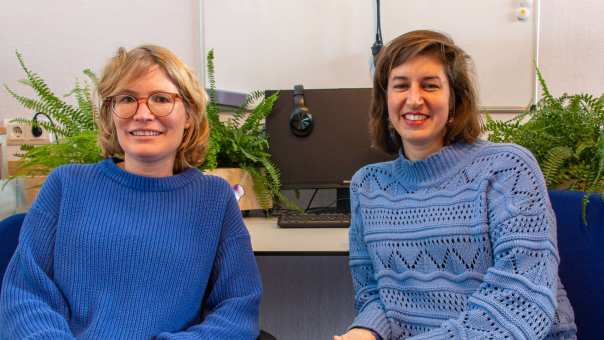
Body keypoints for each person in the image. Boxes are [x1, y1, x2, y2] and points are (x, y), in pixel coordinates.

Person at [0, 45, 262, 339]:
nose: (143, 114)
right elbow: (24, 293)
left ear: (189, 114)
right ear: (110, 114)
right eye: (127, 99)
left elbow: (238, 309)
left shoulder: (214, 198)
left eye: (161, 99)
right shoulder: (65, 185)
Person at [334, 30, 577, 340]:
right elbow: (376, 296)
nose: (414, 98)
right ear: (385, 100)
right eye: (400, 85)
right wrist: (364, 331)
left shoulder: (507, 168)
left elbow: (521, 301)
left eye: (430, 85)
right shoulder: (367, 185)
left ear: (455, 99)